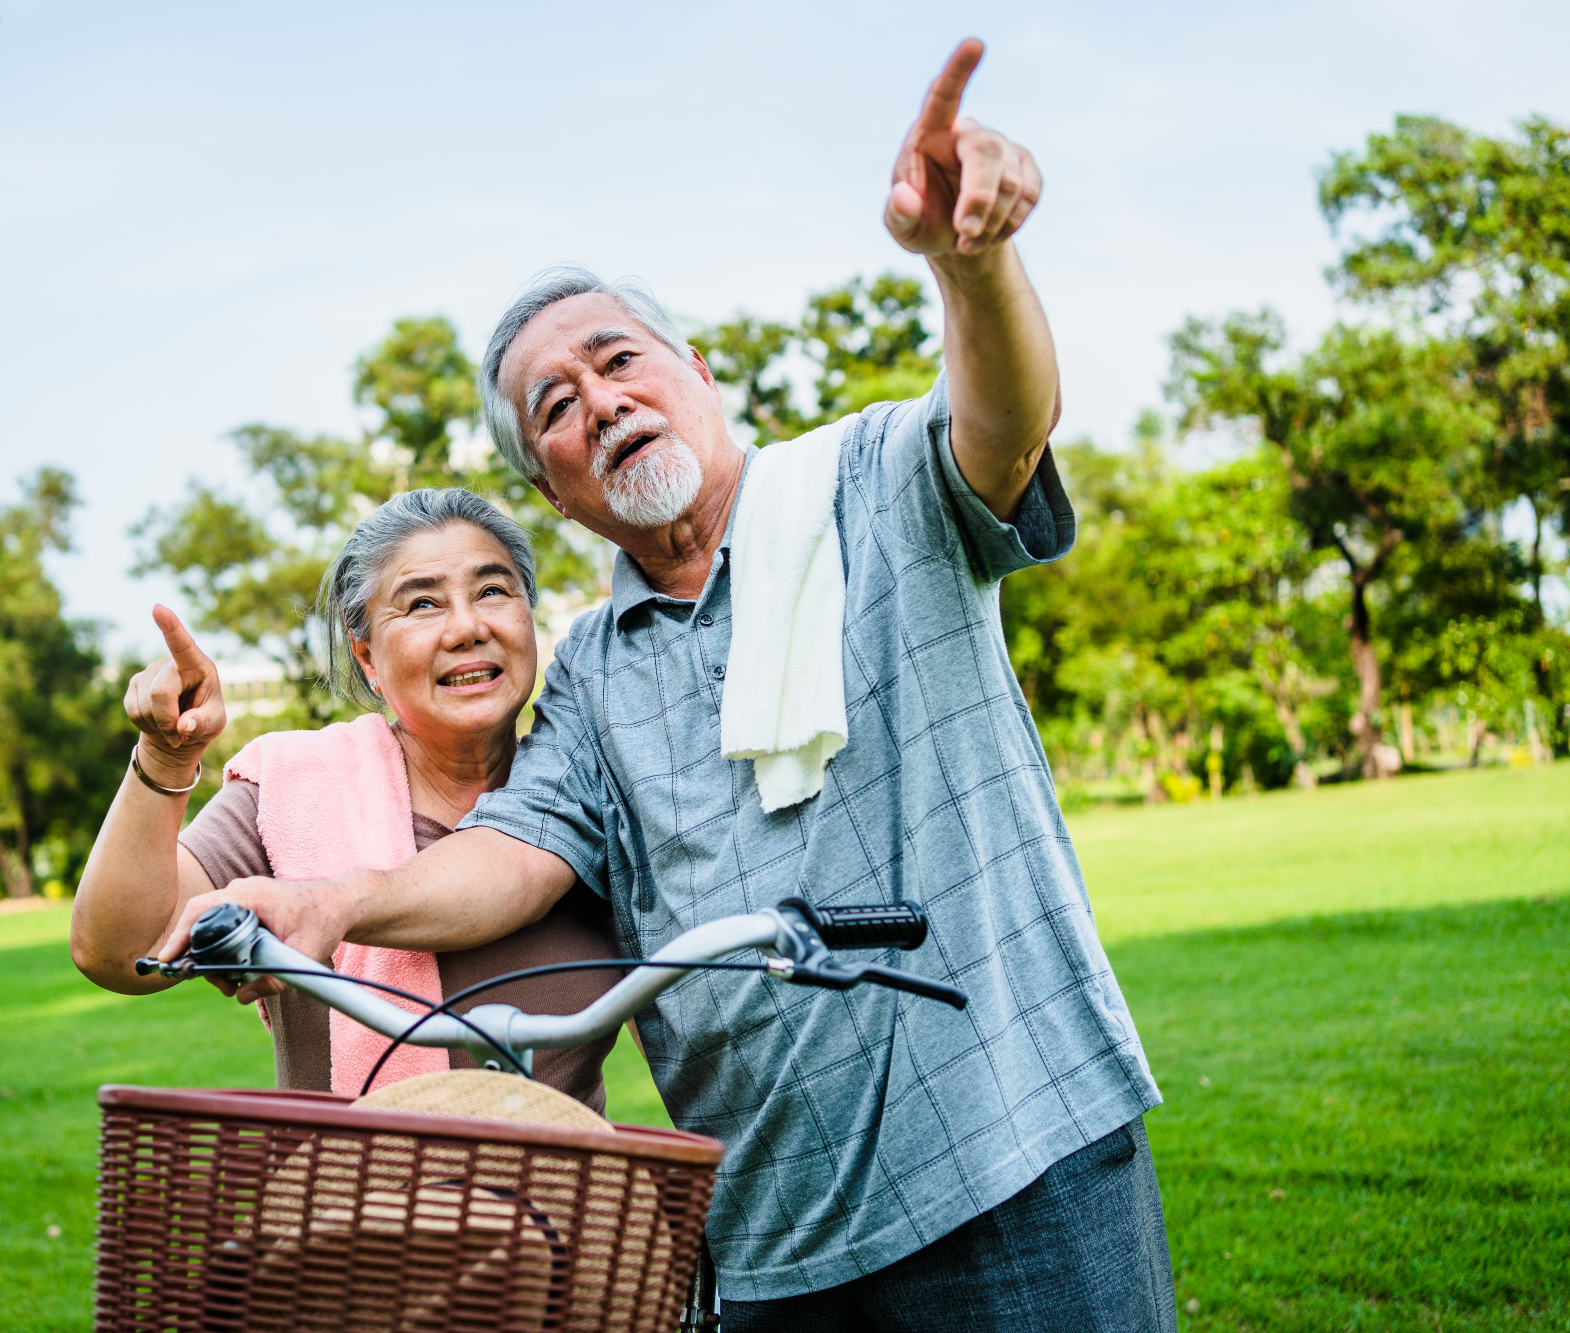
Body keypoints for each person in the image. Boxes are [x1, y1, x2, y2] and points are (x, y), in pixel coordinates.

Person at [150, 39, 1174, 1331]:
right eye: (556, 407)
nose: (600, 401)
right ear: (554, 487)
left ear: (697, 373)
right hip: (767, 1240)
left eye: (620, 360)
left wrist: (973, 268)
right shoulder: (585, 669)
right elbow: (514, 857)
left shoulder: (869, 482)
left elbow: (1005, 421)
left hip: (1017, 1160)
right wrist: (335, 900)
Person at [70, 487, 622, 1111]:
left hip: (563, 1203)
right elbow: (118, 952)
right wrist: (164, 756)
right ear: (367, 660)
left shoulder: (593, 795)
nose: (468, 627)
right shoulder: (295, 788)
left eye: (493, 591)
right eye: (422, 604)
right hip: (345, 1203)